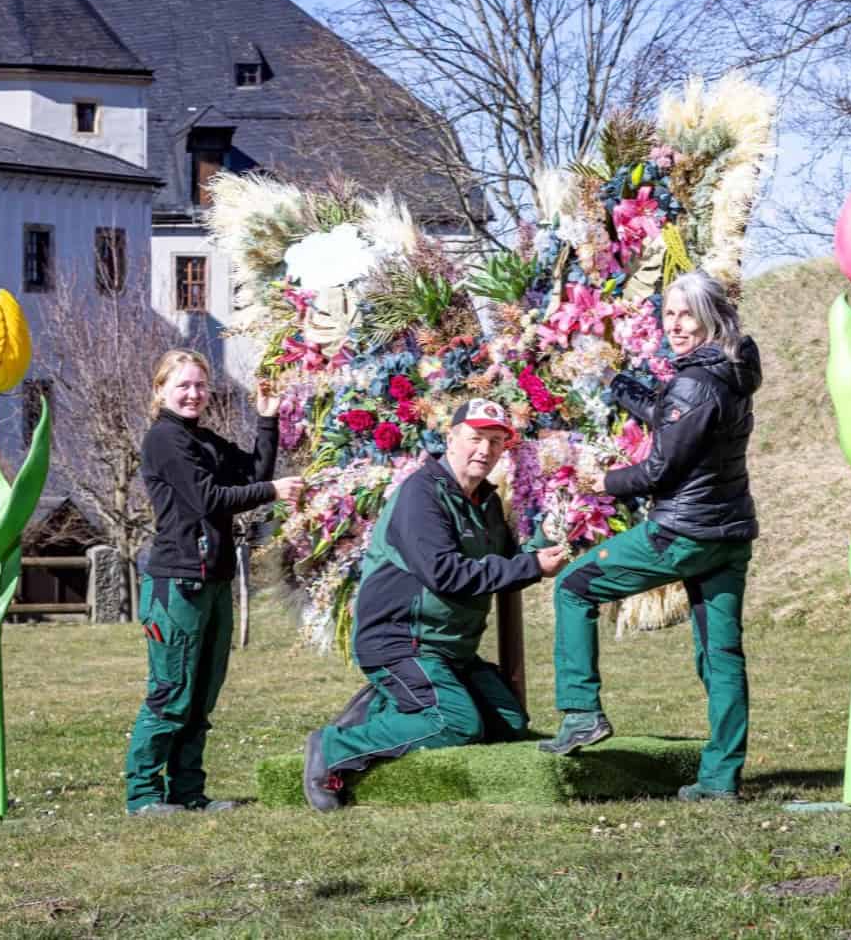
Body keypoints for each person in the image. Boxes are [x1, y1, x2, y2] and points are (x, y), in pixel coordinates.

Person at [537, 270, 762, 802]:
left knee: (573, 586)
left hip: (684, 532)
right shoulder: (730, 369)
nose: (676, 325)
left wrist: (603, 482)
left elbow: (660, 470)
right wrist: (616, 386)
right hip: (729, 533)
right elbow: (675, 417)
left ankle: (580, 711)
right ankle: (719, 780)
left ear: (710, 316)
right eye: (669, 314)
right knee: (721, 656)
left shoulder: (696, 381)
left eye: (686, 314)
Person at [302, 398, 569, 811]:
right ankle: (335, 746)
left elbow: (508, 560)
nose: (485, 450)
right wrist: (530, 566)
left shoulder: (486, 500)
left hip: (451, 648)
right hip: (400, 639)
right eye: (476, 438)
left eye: (496, 442)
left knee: (510, 724)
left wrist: (553, 536)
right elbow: (445, 574)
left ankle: (384, 704)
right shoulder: (421, 495)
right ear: (451, 438)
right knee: (455, 723)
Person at [125, 349, 305, 816]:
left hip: (214, 580)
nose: (192, 394)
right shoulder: (165, 439)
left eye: (200, 386)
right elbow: (207, 499)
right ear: (161, 389)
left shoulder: (201, 439)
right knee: (171, 693)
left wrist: (267, 420)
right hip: (176, 585)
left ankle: (187, 792)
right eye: (183, 385)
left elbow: (252, 473)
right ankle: (143, 795)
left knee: (201, 695)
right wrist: (271, 493)